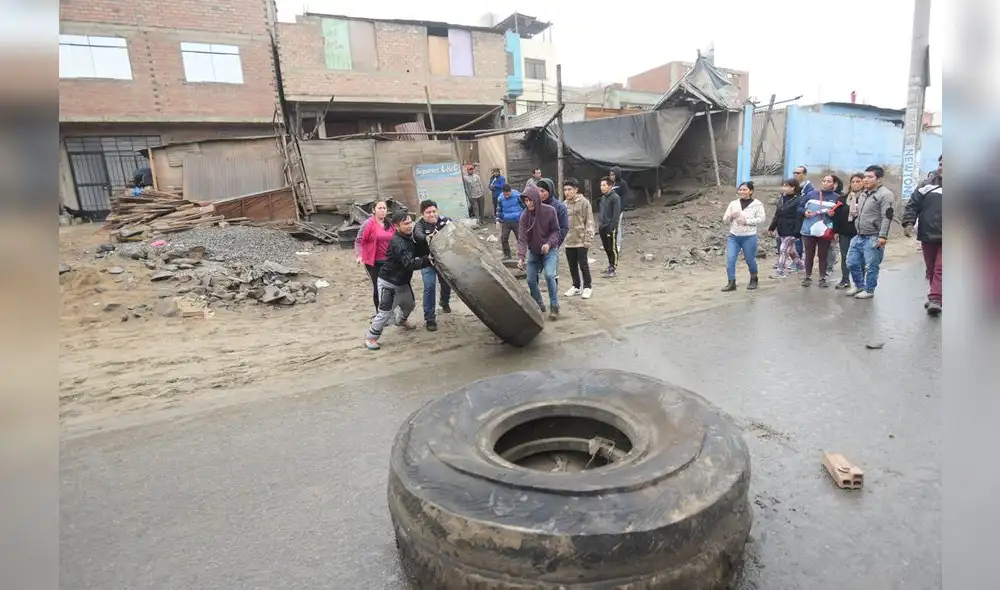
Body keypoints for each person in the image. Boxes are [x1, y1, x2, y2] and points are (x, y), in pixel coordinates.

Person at [364, 211, 433, 350]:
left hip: (402, 282)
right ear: (396, 226)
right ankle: (371, 337)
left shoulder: (409, 237)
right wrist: (427, 260)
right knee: (384, 313)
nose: (409, 226)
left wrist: (427, 242)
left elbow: (415, 251)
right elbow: (410, 263)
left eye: (410, 222)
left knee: (409, 306)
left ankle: (401, 321)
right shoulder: (397, 242)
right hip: (388, 283)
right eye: (405, 223)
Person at [845, 165, 894, 299]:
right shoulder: (863, 194)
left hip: (874, 236)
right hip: (859, 235)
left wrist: (883, 236)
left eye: (869, 177)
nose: (865, 179)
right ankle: (859, 285)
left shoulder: (885, 195)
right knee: (851, 262)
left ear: (879, 179)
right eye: (865, 176)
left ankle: (869, 289)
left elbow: (887, 216)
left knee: (871, 266)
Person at [902, 158, 943, 316]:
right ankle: (936, 293)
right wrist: (908, 223)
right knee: (931, 268)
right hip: (928, 233)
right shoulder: (926, 185)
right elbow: (913, 205)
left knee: (942, 268)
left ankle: (936, 299)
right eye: (941, 164)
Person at [517, 185, 561, 319]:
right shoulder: (524, 216)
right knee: (530, 280)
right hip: (534, 252)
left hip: (550, 251)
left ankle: (554, 305)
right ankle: (540, 304)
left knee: (549, 275)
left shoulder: (550, 211)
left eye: (530, 200)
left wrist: (548, 244)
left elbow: (556, 231)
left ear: (536, 199)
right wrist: (521, 257)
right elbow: (522, 238)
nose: (528, 203)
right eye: (526, 201)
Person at [413, 199, 453, 331]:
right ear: (422, 214)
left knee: (447, 283)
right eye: (428, 212)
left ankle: (444, 301)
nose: (432, 214)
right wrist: (428, 237)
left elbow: (454, 231)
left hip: (443, 261)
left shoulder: (444, 221)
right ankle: (430, 318)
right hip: (427, 261)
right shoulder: (419, 226)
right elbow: (418, 236)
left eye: (434, 211)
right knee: (429, 287)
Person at [797, 174, 841, 288]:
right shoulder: (811, 194)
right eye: (824, 180)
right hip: (808, 229)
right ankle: (808, 277)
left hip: (824, 231)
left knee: (823, 255)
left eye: (829, 181)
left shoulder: (837, 198)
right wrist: (804, 212)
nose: (826, 183)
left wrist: (833, 215)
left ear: (834, 184)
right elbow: (800, 207)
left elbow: (839, 215)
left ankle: (822, 278)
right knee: (808, 254)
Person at [721, 181, 766, 292]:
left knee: (750, 259)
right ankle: (731, 282)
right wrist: (730, 216)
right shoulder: (733, 204)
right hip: (734, 236)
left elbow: (762, 219)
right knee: (730, 259)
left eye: (745, 189)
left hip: (749, 236)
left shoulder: (757, 204)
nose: (742, 191)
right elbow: (725, 220)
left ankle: (754, 278)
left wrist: (747, 221)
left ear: (751, 191)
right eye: (740, 189)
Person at [355, 200, 395, 315]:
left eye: (384, 208)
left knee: (391, 286)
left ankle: (391, 310)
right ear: (373, 210)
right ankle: (380, 313)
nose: (382, 211)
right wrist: (359, 256)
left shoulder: (389, 224)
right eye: (380, 208)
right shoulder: (368, 224)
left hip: (388, 261)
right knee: (378, 288)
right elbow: (358, 241)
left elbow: (395, 239)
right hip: (373, 262)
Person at [561, 177, 596, 299]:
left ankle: (587, 287)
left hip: (581, 240)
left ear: (576, 189)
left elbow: (590, 221)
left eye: (569, 189)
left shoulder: (584, 203)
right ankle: (576, 286)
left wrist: (588, 239)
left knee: (583, 265)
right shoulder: (564, 205)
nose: (567, 192)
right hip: (569, 241)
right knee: (572, 265)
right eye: (565, 190)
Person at [766, 178, 804, 279]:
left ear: (793, 188)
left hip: (792, 229)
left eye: (787, 186)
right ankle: (801, 266)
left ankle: (780, 271)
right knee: (791, 251)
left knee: (783, 249)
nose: (784, 188)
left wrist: (797, 232)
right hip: (781, 228)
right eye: (784, 185)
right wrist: (772, 227)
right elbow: (777, 214)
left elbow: (799, 217)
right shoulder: (782, 199)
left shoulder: (799, 200)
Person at [830, 173, 863, 288]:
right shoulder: (843, 198)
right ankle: (845, 279)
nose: (855, 184)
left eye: (858, 181)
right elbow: (837, 216)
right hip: (844, 232)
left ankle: (860, 281)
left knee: (860, 257)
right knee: (845, 256)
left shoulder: (866, 198)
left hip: (860, 232)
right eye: (853, 181)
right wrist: (836, 231)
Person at [597, 176, 622, 278]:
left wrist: (612, 227)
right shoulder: (603, 197)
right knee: (606, 248)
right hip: (602, 226)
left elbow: (616, 215)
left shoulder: (615, 197)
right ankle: (609, 265)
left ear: (610, 186)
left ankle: (613, 268)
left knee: (612, 248)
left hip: (610, 227)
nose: (602, 187)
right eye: (601, 185)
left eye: (604, 185)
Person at [494, 183, 523, 260]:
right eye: (505, 194)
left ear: (511, 191)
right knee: (504, 238)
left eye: (508, 193)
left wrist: (525, 217)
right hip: (506, 221)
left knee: (520, 238)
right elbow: (498, 210)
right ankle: (507, 255)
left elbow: (524, 206)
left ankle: (521, 255)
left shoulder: (518, 196)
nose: (506, 195)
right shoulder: (500, 198)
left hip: (517, 220)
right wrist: (497, 220)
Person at [537, 178, 569, 246]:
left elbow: (564, 228)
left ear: (550, 191)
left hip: (552, 245)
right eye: (538, 191)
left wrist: (554, 244)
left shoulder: (560, 207)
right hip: (535, 246)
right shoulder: (534, 205)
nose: (540, 194)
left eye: (542, 191)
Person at [792, 165, 812, 259]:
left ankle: (799, 260)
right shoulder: (792, 186)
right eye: (794, 173)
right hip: (791, 216)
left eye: (798, 173)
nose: (795, 175)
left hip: (801, 217)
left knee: (798, 238)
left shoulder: (809, 189)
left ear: (804, 175)